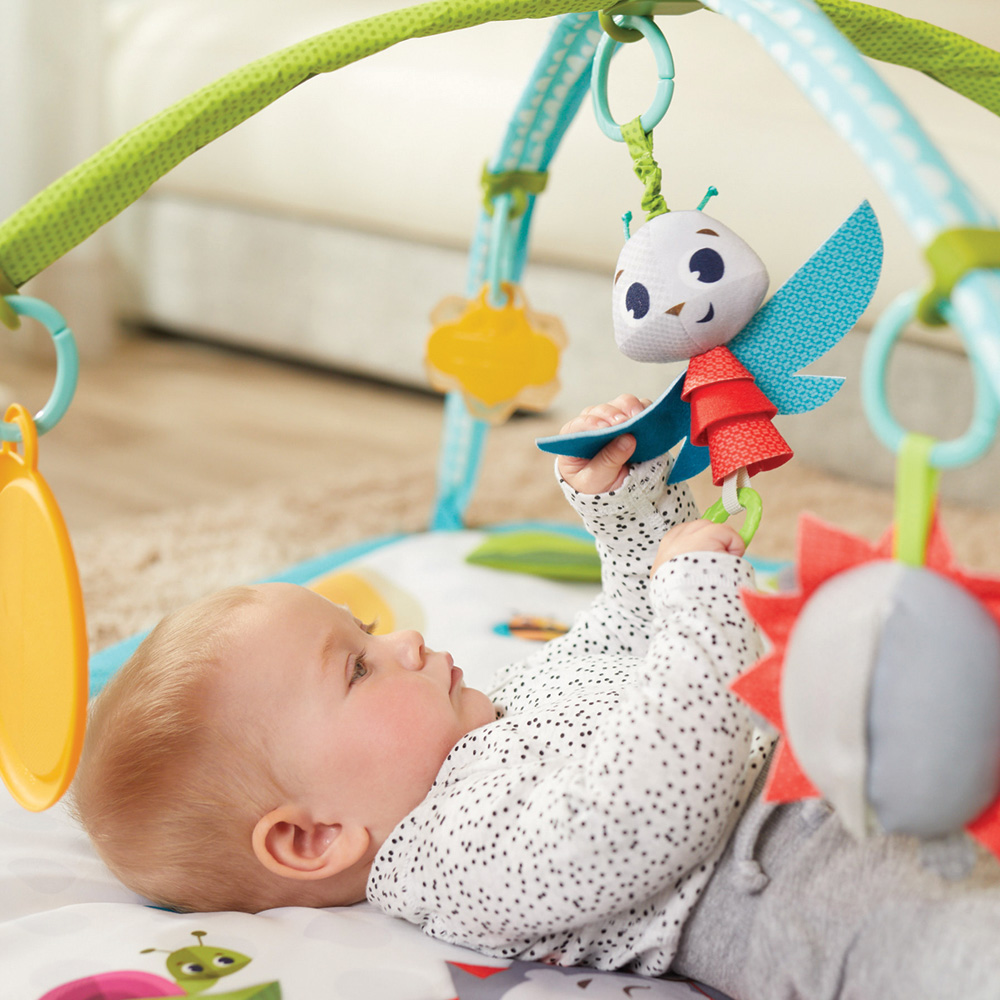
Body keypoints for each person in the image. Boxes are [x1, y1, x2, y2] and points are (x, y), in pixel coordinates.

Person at [71, 394, 1000, 999]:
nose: (401, 639)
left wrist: (629, 507)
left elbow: (627, 631)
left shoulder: (500, 711)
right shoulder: (451, 862)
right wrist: (703, 610)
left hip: (854, 775)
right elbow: (638, 812)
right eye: (357, 667)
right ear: (314, 838)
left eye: (365, 629)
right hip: (822, 898)